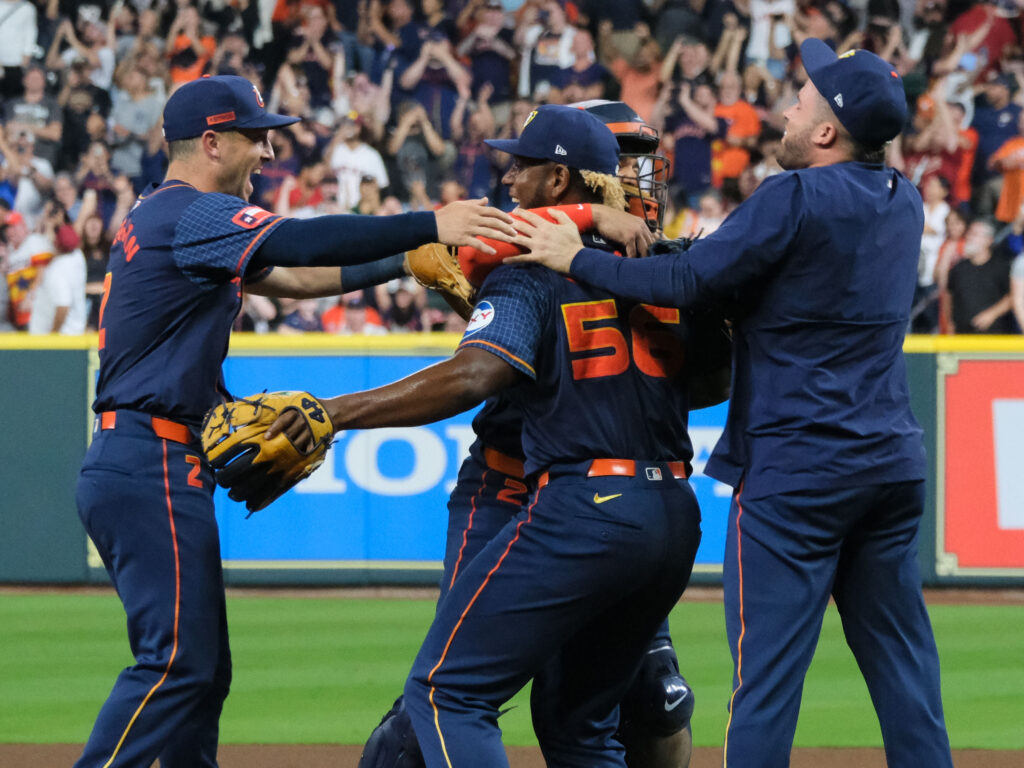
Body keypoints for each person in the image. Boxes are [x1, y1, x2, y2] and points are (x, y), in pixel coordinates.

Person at [508, 40, 955, 768]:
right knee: (908, 677)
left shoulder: (795, 195)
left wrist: (577, 257)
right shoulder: (903, 199)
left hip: (797, 475)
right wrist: (654, 241)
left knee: (766, 686)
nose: (788, 106)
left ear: (825, 132)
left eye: (803, 100)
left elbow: (693, 284)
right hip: (891, 468)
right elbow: (733, 264)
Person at [73, 73, 516, 768]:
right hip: (147, 460)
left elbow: (293, 276)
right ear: (212, 141)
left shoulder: (165, 217)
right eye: (256, 137)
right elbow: (302, 243)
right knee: (174, 667)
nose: (268, 152)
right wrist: (432, 223)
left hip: (145, 459)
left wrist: (400, 262)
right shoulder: (189, 213)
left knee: (199, 673)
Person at [270, 104, 710, 768]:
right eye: (622, 157)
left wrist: (333, 412)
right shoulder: (663, 266)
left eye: (521, 165)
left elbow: (485, 367)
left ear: (559, 178)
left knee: (458, 693)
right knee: (568, 719)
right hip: (574, 493)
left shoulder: (584, 259)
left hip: (577, 500)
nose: (634, 174)